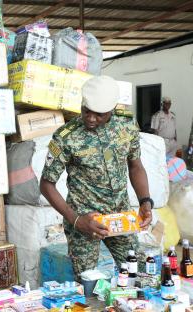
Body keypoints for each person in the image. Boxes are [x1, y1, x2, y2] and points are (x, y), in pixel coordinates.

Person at [40, 76, 153, 280]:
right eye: (86, 111)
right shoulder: (66, 137)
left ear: (111, 109)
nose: (91, 118)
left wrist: (145, 201)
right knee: (88, 283)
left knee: (140, 275)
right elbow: (46, 185)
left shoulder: (126, 126)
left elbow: (135, 165)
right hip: (84, 219)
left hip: (120, 216)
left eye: (99, 114)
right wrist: (76, 221)